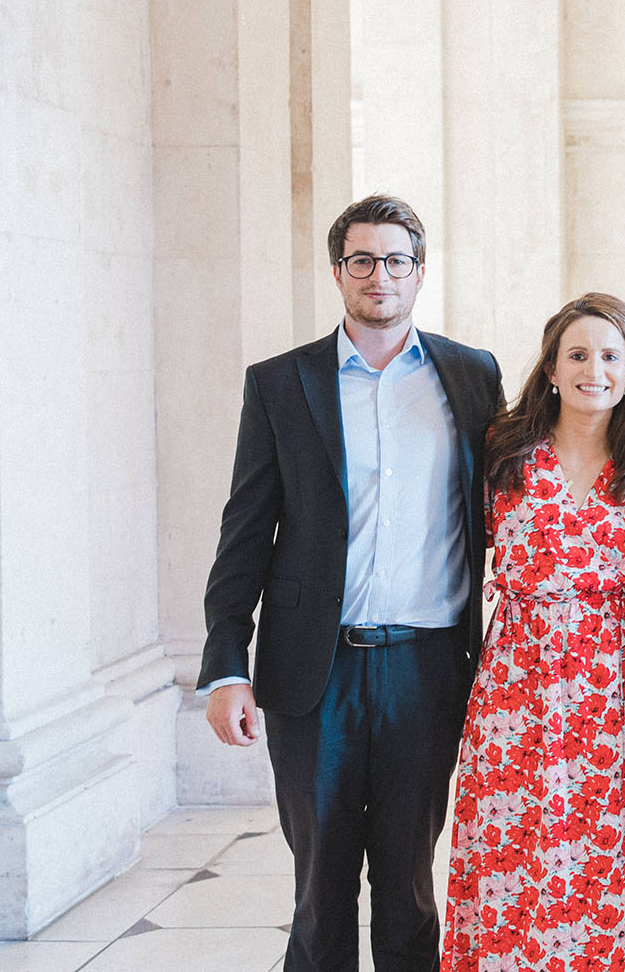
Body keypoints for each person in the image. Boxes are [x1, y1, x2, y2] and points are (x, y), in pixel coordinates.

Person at [199, 195, 503, 972]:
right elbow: (244, 535)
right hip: (314, 671)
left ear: (420, 273)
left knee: (407, 885)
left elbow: (513, 503)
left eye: (396, 260)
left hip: (429, 668)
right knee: (320, 887)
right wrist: (227, 664)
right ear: (339, 273)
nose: (380, 275)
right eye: (362, 260)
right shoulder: (279, 383)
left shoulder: (470, 378)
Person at [442, 293, 625, 971]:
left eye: (610, 356)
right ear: (551, 367)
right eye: (577, 354)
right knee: (514, 869)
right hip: (516, 703)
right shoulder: (500, 454)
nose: (592, 369)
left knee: (606, 872)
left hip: (615, 710)